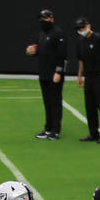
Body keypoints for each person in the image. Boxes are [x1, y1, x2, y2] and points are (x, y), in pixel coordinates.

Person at [24, 10, 65, 140]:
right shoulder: (40, 34)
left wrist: (58, 71)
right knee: (47, 102)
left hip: (54, 74)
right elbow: (38, 51)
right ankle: (48, 128)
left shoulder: (58, 33)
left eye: (45, 18)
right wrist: (31, 52)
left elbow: (62, 55)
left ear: (51, 19)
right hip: (43, 73)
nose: (43, 20)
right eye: (41, 18)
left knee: (55, 102)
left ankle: (56, 130)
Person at [74, 17, 100, 143]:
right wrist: (80, 76)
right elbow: (81, 60)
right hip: (89, 77)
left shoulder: (98, 38)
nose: (81, 30)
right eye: (79, 28)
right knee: (90, 107)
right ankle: (93, 133)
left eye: (82, 27)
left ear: (88, 25)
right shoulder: (80, 41)